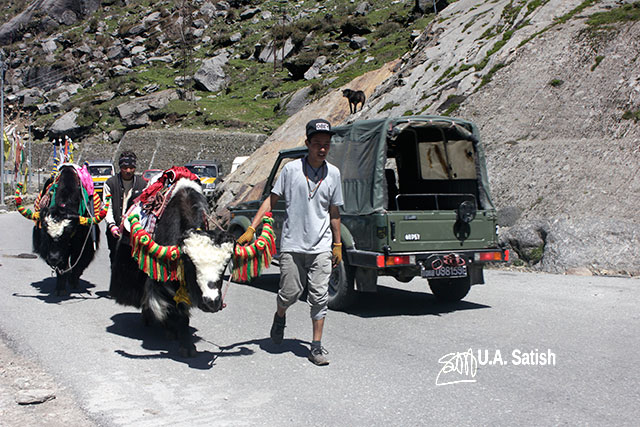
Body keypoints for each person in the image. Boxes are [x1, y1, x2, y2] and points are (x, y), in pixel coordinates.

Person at [237, 118, 343, 366]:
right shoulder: (291, 170)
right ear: (307, 143)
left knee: (319, 298)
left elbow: (334, 212)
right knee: (290, 293)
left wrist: (337, 245)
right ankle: (280, 314)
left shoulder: (334, 174)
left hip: (320, 246)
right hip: (292, 245)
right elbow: (271, 201)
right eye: (317, 143)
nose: (322, 149)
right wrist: (252, 227)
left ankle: (316, 347)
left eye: (326, 144)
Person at [103, 151, 146, 264]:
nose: (128, 171)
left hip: (135, 231)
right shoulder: (110, 183)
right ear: (120, 167)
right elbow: (107, 207)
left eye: (131, 168)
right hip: (115, 230)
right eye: (125, 167)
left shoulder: (143, 184)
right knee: (116, 261)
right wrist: (112, 225)